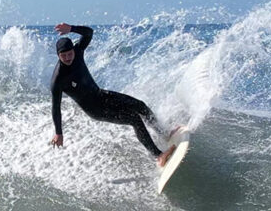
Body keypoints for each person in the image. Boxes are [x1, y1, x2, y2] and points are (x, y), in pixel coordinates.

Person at [49, 23, 176, 167]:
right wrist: (58, 133)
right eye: (63, 56)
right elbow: (56, 107)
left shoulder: (78, 52)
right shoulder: (58, 80)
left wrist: (72, 29)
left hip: (101, 95)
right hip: (94, 109)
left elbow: (89, 33)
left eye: (69, 53)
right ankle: (159, 156)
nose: (67, 58)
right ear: (58, 56)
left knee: (139, 105)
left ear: (73, 50)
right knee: (134, 119)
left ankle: (164, 133)